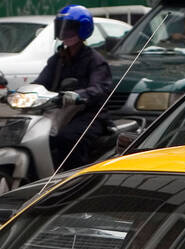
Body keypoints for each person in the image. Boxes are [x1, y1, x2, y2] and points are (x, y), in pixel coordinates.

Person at [33, 5, 113, 170]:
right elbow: (41, 82)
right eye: (62, 27)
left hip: (89, 114)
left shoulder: (95, 60)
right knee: (36, 136)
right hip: (60, 112)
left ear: (83, 29)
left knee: (67, 137)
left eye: (69, 27)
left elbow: (100, 88)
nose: (64, 32)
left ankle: (72, 181)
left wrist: (79, 95)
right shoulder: (57, 59)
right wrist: (20, 93)